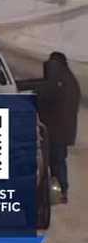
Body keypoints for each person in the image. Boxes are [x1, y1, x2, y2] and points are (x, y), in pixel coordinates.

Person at [39, 51, 80, 204]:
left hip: (54, 129)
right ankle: (59, 190)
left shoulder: (57, 79)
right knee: (58, 160)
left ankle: (57, 191)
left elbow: (47, 94)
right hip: (63, 129)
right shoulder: (69, 79)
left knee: (53, 160)